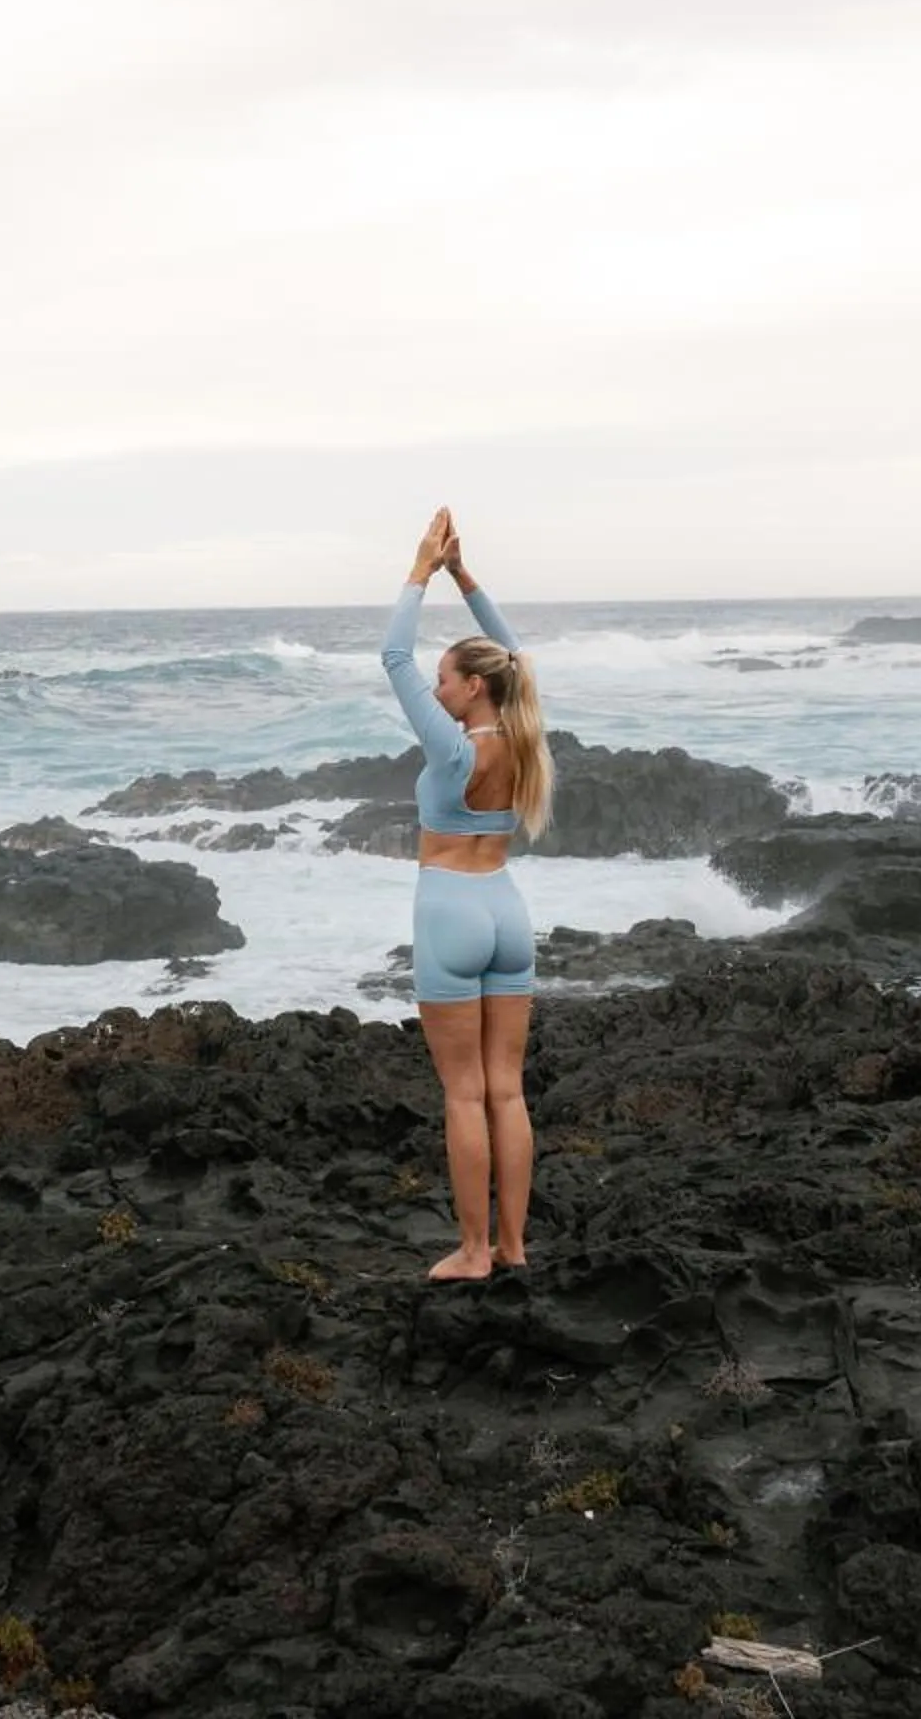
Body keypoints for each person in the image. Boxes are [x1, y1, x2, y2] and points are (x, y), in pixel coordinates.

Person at [382, 506, 556, 1282]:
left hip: (450, 910)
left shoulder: (453, 749)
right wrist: (465, 575)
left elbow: (392, 655)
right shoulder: (526, 737)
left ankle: (477, 1251)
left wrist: (422, 568)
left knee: (463, 1097)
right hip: (507, 909)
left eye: (447, 677)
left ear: (472, 686)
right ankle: (516, 1246)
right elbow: (516, 653)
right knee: (507, 1093)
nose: (438, 687)